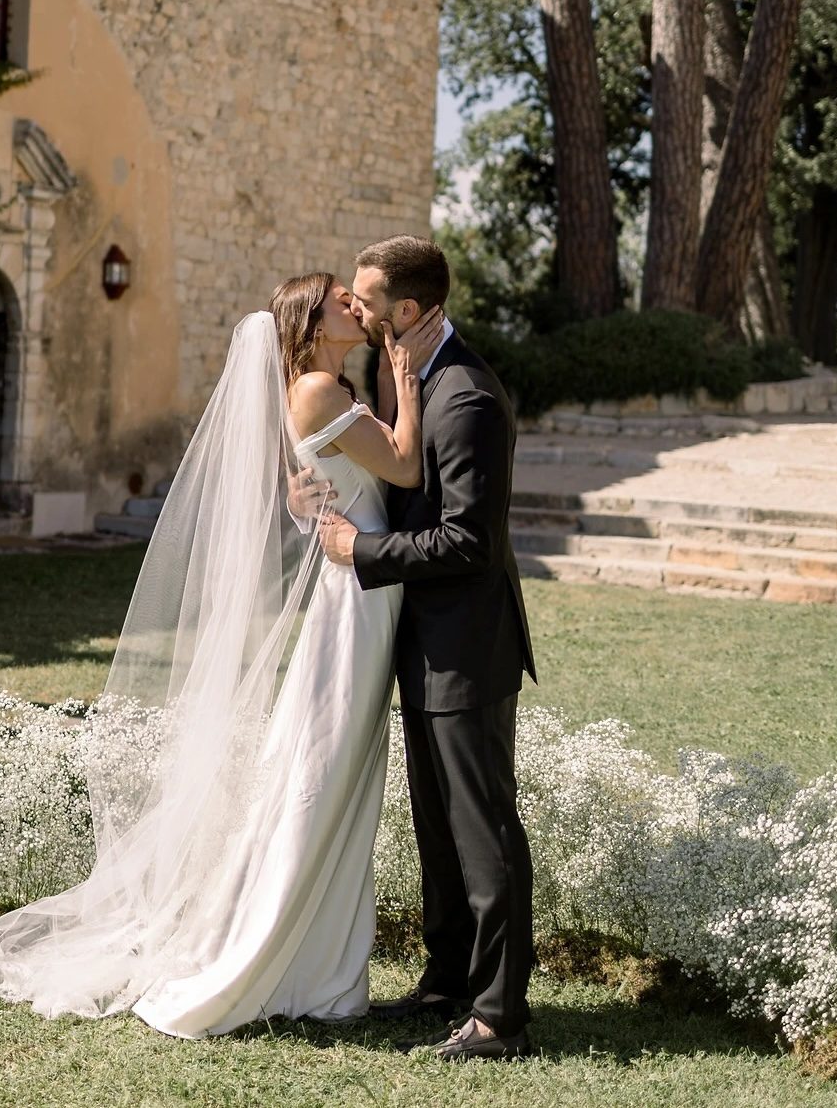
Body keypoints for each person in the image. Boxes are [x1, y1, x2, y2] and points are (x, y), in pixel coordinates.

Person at [0, 271, 444, 1037]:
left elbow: (316, 487)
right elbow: (405, 466)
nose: (354, 303)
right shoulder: (318, 389)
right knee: (321, 774)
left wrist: (315, 484)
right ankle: (262, 954)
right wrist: (406, 382)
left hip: (362, 590)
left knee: (334, 773)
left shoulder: (330, 387)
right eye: (339, 299)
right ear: (312, 325)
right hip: (356, 598)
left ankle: (319, 966)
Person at [318, 235, 538, 1062]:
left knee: (483, 832)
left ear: (406, 310)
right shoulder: (415, 376)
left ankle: (499, 1016)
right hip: (422, 643)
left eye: (368, 298)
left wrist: (360, 551)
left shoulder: (467, 395)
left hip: (466, 649)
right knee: (439, 829)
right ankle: (447, 980)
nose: (356, 305)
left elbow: (468, 542)